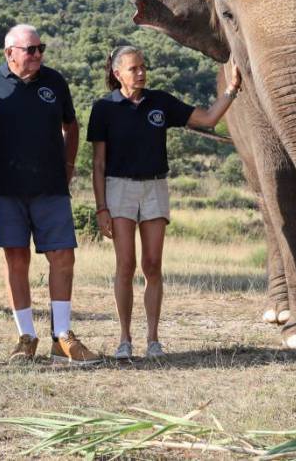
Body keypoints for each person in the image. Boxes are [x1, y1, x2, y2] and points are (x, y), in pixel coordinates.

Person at [87, 45, 241, 360]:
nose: (141, 73)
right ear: (118, 74)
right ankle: (124, 339)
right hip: (119, 189)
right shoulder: (103, 108)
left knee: (153, 265)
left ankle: (153, 340)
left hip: (155, 187)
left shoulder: (161, 102)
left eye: (143, 66)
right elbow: (98, 165)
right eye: (134, 68)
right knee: (125, 265)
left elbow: (208, 117)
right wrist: (102, 207)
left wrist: (232, 89)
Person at [0, 24, 100, 365]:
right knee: (16, 260)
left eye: (40, 48)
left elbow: (71, 126)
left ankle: (62, 338)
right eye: (30, 49)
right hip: (6, 189)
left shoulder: (54, 81)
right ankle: (26, 337)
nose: (38, 54)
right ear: (9, 53)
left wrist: (69, 164)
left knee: (63, 257)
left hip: (51, 188)